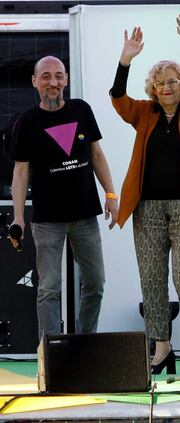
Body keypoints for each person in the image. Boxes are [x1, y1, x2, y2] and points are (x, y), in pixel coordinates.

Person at [110, 14, 180, 375]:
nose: (166, 87)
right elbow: (117, 98)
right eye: (160, 83)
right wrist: (125, 59)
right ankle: (161, 348)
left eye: (172, 81)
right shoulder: (143, 113)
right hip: (148, 209)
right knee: (152, 277)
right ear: (153, 89)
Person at [10, 56, 118, 340]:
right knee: (49, 288)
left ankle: (84, 344)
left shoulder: (81, 110)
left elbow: (96, 154)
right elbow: (20, 173)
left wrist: (110, 193)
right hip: (47, 220)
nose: (53, 82)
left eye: (58, 75)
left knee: (96, 283)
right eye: (45, 76)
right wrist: (19, 217)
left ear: (66, 79)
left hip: (85, 215)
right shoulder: (26, 122)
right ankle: (51, 352)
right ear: (35, 82)